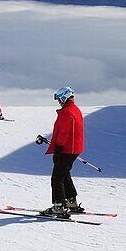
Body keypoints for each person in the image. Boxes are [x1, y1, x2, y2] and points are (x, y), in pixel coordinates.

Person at [39, 87, 85, 217]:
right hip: (74, 148)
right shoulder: (75, 110)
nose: (59, 101)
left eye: (59, 99)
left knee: (57, 177)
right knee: (65, 174)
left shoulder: (67, 113)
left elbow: (64, 132)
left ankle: (58, 206)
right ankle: (71, 201)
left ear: (65, 97)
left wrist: (58, 147)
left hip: (67, 149)